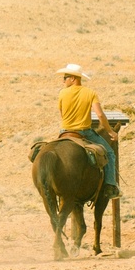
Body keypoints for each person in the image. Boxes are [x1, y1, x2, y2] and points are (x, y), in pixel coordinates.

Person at [56, 63, 119, 199]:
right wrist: (111, 132)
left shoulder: (62, 93)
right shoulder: (90, 93)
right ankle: (110, 186)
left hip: (64, 131)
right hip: (84, 132)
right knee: (109, 153)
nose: (63, 81)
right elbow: (100, 115)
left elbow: (62, 113)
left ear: (73, 78)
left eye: (65, 77)